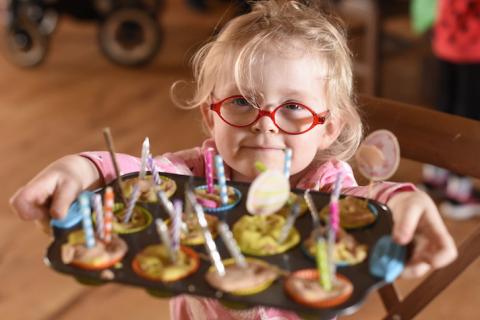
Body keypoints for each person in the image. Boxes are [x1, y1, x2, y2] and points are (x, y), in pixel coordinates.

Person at [10, 1, 457, 319]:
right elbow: (141, 176)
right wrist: (84, 168)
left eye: (294, 108)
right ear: (210, 115)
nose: (265, 125)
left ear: (329, 127)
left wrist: (401, 202)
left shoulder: (325, 185)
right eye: (242, 102)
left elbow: (368, 204)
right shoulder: (198, 173)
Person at [413, 0, 480, 220]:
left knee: (445, 108)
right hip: (472, 43)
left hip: (446, 36)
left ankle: (437, 173)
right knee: (467, 116)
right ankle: (458, 189)